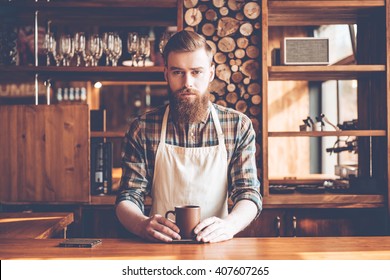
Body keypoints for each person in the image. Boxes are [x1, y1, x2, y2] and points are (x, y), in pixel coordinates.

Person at [115, 30, 262, 243]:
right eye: (178, 72)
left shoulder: (238, 126)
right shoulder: (143, 128)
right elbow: (128, 196)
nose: (187, 83)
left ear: (211, 73)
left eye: (196, 72)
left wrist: (229, 226)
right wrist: (141, 224)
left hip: (216, 246)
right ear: (166, 74)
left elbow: (249, 193)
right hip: (160, 246)